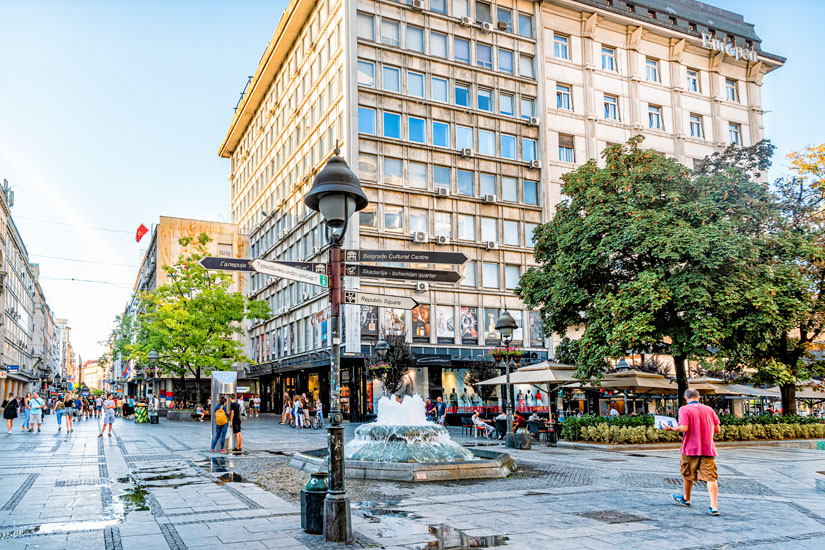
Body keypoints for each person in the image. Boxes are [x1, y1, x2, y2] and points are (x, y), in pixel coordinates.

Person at [664, 389, 722, 516]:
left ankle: (686, 498)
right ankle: (714, 506)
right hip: (708, 448)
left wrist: (671, 428)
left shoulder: (684, 409)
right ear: (699, 397)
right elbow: (717, 429)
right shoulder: (709, 410)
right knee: (711, 477)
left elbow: (684, 428)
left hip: (690, 448)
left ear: (685, 398)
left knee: (687, 473)